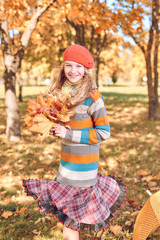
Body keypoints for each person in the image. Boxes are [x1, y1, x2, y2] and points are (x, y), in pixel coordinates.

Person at [23, 44, 126, 240]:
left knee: (71, 220)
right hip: (66, 164)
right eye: (69, 65)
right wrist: (52, 128)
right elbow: (66, 127)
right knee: (71, 219)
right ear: (63, 68)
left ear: (87, 70)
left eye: (79, 67)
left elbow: (104, 133)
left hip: (83, 168)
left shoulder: (92, 97)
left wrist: (68, 134)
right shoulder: (61, 95)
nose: (73, 71)